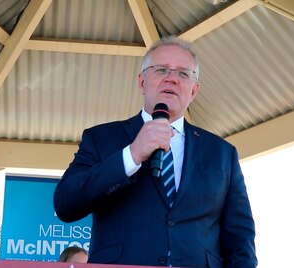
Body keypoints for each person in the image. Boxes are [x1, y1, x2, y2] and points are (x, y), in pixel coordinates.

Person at [54, 36, 257, 267]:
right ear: (142, 82)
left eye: (183, 73)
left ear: (194, 91)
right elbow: (65, 204)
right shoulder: (101, 139)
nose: (171, 78)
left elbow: (241, 241)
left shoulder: (222, 154)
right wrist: (131, 156)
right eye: (161, 70)